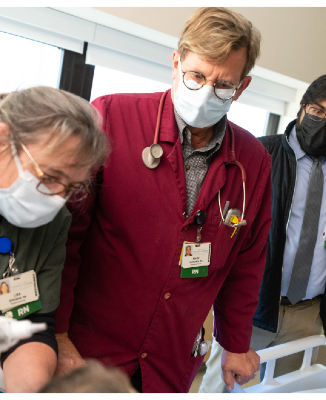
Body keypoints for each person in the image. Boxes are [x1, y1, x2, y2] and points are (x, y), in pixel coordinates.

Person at [55, 7, 272, 393]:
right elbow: (65, 239)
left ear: (242, 87)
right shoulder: (111, 116)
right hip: (90, 351)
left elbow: (246, 262)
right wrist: (57, 334)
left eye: (224, 85)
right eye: (197, 76)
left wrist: (236, 343)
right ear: (176, 63)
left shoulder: (252, 161)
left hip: (170, 358)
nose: (207, 92)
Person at [198, 73, 326, 392]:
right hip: (252, 303)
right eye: (317, 111)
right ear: (303, 108)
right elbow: (225, 228)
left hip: (308, 313)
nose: (324, 121)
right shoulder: (260, 155)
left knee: (291, 390)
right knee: (223, 388)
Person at [0, 87, 108, 392]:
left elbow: (34, 322)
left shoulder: (54, 222)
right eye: (48, 177)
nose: (57, 198)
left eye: (71, 186)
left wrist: (32, 389)